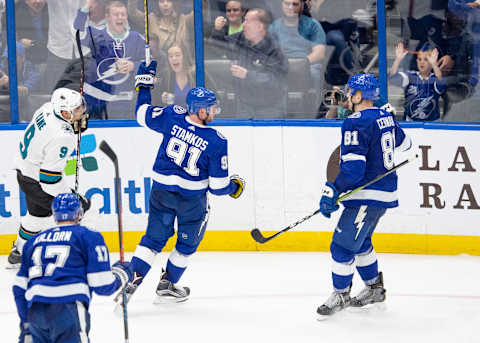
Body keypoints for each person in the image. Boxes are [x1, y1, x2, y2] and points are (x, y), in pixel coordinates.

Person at [114, 60, 245, 306]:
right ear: (200, 111)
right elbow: (217, 188)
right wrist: (234, 187)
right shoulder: (217, 140)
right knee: (186, 244)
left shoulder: (172, 115)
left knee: (152, 240)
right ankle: (167, 285)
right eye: (211, 108)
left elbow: (141, 114)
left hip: (161, 193)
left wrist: (144, 85)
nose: (215, 111)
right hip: (192, 203)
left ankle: (131, 280)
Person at [317, 73, 413, 318]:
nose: (348, 96)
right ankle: (374, 289)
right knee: (361, 243)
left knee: (341, 247)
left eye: (350, 92)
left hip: (367, 195)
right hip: (383, 193)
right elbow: (407, 146)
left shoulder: (355, 122)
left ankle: (341, 293)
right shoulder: (385, 116)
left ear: (359, 96)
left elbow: (354, 169)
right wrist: (391, 121)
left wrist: (334, 188)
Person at [12, 193, 133, 343]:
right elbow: (102, 286)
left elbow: (19, 287)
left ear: (54, 215)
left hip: (36, 311)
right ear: (79, 214)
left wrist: (26, 321)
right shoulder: (88, 236)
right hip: (68, 309)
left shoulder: (34, 241)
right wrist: (123, 273)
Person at [7, 88, 91, 268]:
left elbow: (49, 136)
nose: (81, 112)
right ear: (65, 112)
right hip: (37, 180)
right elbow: (49, 179)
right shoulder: (63, 136)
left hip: (24, 171)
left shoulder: (46, 108)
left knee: (37, 216)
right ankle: (74, 256)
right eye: (76, 110)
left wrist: (73, 125)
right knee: (74, 211)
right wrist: (71, 196)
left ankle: (19, 253)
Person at [74, 0, 146, 119]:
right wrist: (87, 6)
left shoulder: (136, 38)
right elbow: (77, 29)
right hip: (94, 98)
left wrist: (133, 65)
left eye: (123, 14)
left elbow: (150, 64)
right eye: (116, 14)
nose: (120, 18)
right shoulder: (96, 34)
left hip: (122, 101)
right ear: (107, 17)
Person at [211, 8, 289, 117]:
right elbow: (218, 47)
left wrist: (248, 75)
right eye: (244, 20)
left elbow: (276, 81)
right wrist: (218, 30)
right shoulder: (241, 38)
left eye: (247, 21)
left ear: (259, 26)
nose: (243, 24)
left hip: (270, 107)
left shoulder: (275, 49)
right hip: (244, 104)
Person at [269, 0, 326, 90]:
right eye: (287, 4)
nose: (290, 7)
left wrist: (300, 64)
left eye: (295, 4)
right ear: (282, 5)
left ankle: (311, 102)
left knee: (314, 73)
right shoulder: (274, 27)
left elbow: (319, 53)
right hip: (282, 64)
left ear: (302, 6)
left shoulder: (313, 25)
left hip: (307, 64)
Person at [390, 42, 446, 121]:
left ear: (432, 61)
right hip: (411, 122)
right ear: (416, 61)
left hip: (432, 124)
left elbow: (440, 83)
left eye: (426, 59)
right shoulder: (410, 76)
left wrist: (434, 65)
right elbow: (393, 78)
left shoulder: (434, 78)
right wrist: (398, 60)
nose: (422, 62)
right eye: (419, 59)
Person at [153, 43, 196, 108]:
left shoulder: (196, 74)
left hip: (193, 116)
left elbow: (213, 98)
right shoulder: (164, 76)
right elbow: (154, 100)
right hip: (173, 117)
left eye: (177, 55)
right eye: (170, 56)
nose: (174, 58)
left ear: (185, 57)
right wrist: (161, 99)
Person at [14, 0, 49, 65]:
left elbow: (54, 44)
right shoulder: (18, 15)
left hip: (50, 59)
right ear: (26, 1)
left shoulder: (51, 13)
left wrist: (33, 43)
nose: (38, 1)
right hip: (29, 61)